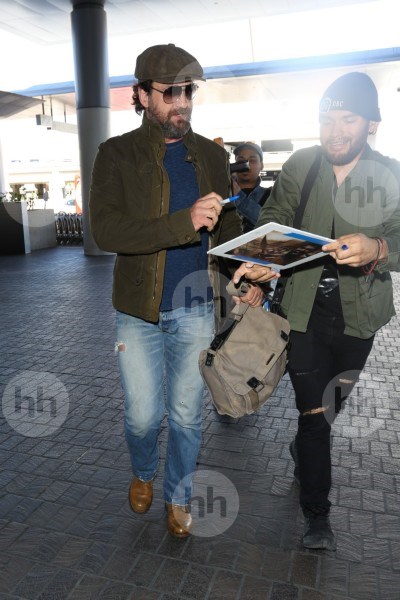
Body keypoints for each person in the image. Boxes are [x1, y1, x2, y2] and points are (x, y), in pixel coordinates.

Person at [89, 43, 263, 538]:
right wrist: (183, 223)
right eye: (170, 93)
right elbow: (106, 230)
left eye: (188, 91)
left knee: (186, 416)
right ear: (142, 95)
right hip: (137, 312)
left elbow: (226, 228)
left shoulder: (210, 154)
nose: (182, 102)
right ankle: (144, 470)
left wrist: (243, 270)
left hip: (194, 306)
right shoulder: (115, 154)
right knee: (143, 417)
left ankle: (178, 495)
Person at [232, 71, 400, 550]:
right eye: (327, 120)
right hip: (301, 311)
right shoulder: (302, 165)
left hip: (360, 317)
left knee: (331, 406)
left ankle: (304, 449)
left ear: (371, 123)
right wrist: (262, 263)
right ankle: (317, 514)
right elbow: (273, 219)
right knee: (314, 413)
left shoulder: (390, 173)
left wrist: (378, 247)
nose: (335, 131)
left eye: (348, 119)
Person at [231, 142, 271, 232]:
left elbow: (270, 223)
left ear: (262, 165)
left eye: (252, 160)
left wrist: (239, 197)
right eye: (241, 161)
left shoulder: (271, 195)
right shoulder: (223, 193)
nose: (246, 165)